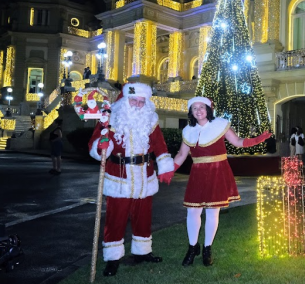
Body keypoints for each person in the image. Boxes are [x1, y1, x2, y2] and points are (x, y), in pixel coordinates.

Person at [167, 96, 271, 267]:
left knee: (212, 211)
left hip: (217, 171)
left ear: (208, 109)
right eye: (195, 108)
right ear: (191, 112)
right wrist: (169, 170)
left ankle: (207, 248)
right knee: (193, 211)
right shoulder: (188, 131)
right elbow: (181, 154)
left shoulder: (220, 124)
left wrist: (257, 139)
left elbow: (237, 142)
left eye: (202, 107)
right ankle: (192, 247)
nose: (199, 110)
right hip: (198, 173)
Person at [88, 82, 175, 277]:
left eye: (141, 101)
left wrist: (165, 166)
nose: (137, 104)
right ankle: (112, 258)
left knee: (143, 216)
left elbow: (159, 144)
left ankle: (143, 252)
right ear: (125, 99)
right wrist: (101, 146)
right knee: (115, 218)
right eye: (133, 100)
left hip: (145, 175)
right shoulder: (109, 118)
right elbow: (95, 144)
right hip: (119, 176)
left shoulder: (150, 119)